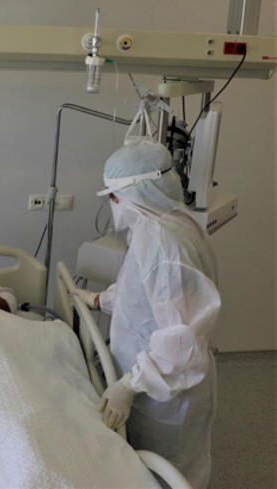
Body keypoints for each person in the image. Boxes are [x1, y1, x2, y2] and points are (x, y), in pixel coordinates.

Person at [74, 111, 221, 489]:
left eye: (114, 196)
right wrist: (98, 300)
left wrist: (129, 385)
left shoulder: (163, 243)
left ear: (135, 193)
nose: (113, 203)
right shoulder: (168, 222)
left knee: (169, 473)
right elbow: (142, 295)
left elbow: (180, 342)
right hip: (156, 381)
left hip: (168, 394)